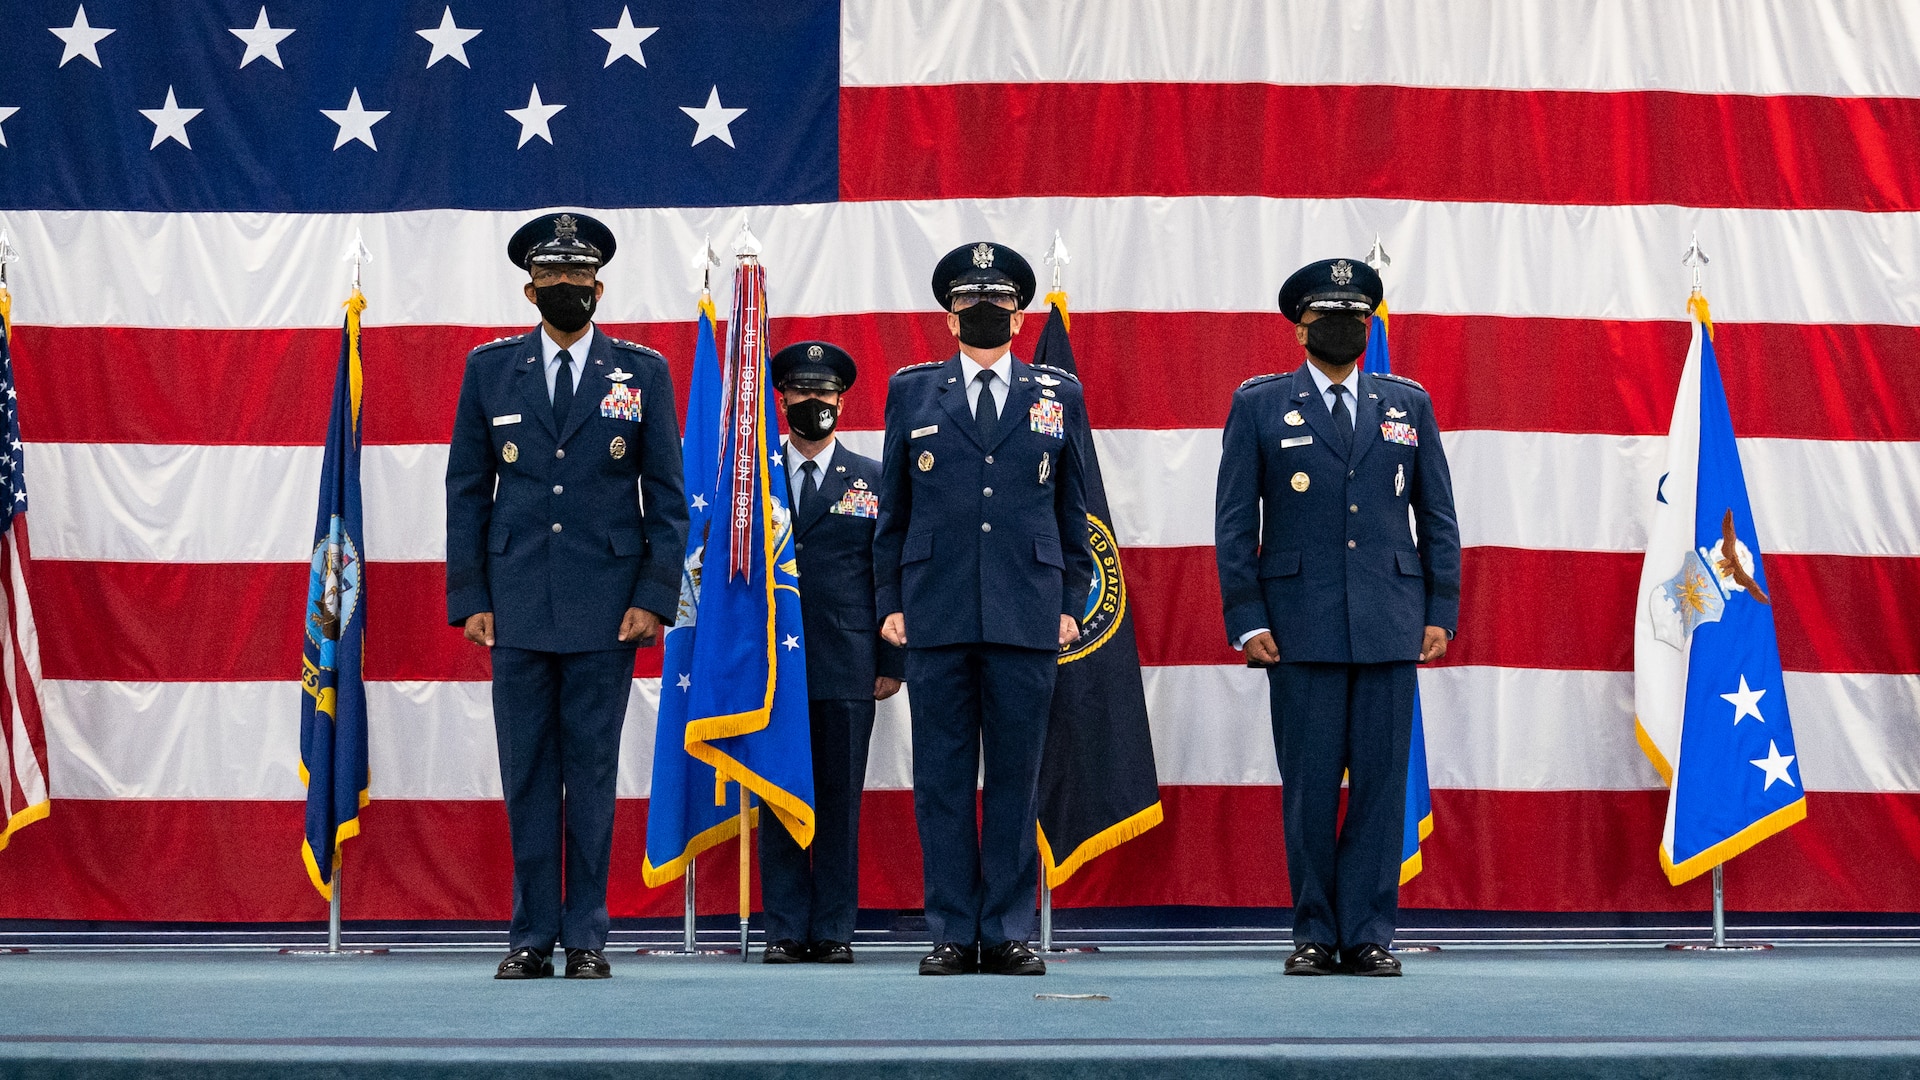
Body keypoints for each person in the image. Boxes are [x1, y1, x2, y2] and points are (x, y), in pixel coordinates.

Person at [445, 212, 688, 980]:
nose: (566, 291)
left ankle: (585, 937)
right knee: (525, 774)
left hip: (608, 606)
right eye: (551, 281)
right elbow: (466, 493)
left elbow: (669, 499)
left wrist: (653, 596)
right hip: (514, 603)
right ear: (529, 289)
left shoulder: (640, 372)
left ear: (599, 287)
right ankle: (528, 936)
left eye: (578, 280)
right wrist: (470, 596)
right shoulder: (489, 370)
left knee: (589, 776)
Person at [1213, 257, 1461, 977]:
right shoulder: (1260, 404)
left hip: (1389, 620)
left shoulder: (1406, 403)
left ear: (1371, 323)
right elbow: (1234, 524)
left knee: (1383, 792)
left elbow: (1436, 516)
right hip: (1297, 628)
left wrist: (1440, 608)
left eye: (1357, 313)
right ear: (1300, 326)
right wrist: (1246, 617)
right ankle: (1315, 934)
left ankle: (1370, 934)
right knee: (1311, 792)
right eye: (1328, 314)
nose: (1345, 325)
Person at [874, 241, 1094, 977]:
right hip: (934, 611)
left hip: (1026, 612)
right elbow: (892, 514)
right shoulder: (913, 392)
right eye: (969, 300)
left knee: (1014, 777)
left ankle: (1004, 929)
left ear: (1020, 312)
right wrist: (888, 603)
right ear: (948, 316)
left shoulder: (1057, 394)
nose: (984, 310)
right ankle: (949, 929)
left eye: (998, 299)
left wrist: (1068, 600)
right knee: (939, 777)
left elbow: (1074, 512)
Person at [757, 341, 906, 965]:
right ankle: (786, 929)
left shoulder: (873, 478)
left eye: (824, 392)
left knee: (840, 800)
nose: (812, 401)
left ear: (841, 401)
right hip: (770, 669)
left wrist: (891, 661)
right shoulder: (751, 478)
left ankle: (835, 928)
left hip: (849, 662)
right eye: (800, 391)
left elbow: (890, 570)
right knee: (776, 794)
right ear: (782, 398)